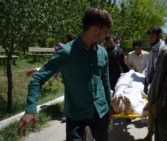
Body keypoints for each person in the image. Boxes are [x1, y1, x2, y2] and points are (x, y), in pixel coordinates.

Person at [18, 7, 113, 141]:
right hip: (76, 115)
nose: (107, 35)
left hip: (100, 112)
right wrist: (30, 108)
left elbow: (105, 80)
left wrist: (109, 107)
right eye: (105, 31)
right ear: (95, 29)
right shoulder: (66, 52)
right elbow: (38, 78)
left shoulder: (102, 52)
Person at [143, 26, 167, 141]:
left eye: (153, 36)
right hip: (153, 86)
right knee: (152, 113)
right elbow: (150, 69)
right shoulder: (153, 49)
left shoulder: (165, 51)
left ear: (159, 36)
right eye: (149, 36)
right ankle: (150, 135)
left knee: (159, 114)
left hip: (162, 88)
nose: (150, 38)